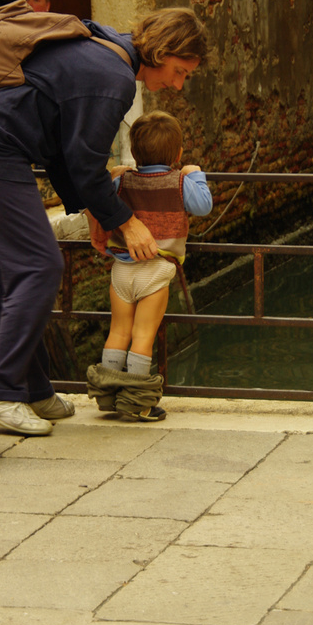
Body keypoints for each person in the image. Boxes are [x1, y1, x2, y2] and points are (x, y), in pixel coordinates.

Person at [0, 7, 208, 436]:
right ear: (163, 52)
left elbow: (66, 151)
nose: (177, 84)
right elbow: (83, 164)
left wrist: (95, 210)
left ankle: (31, 387)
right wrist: (126, 222)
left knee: (11, 273)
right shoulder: (113, 78)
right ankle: (0, 390)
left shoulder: (103, 50)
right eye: (179, 71)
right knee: (40, 266)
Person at [88, 110, 212, 422]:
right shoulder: (179, 181)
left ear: (133, 152)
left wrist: (116, 174)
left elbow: (103, 199)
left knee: (118, 331)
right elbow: (203, 205)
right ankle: (138, 402)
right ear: (178, 153)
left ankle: (107, 395)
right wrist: (194, 173)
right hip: (156, 272)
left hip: (122, 271)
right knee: (143, 336)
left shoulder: (123, 180)